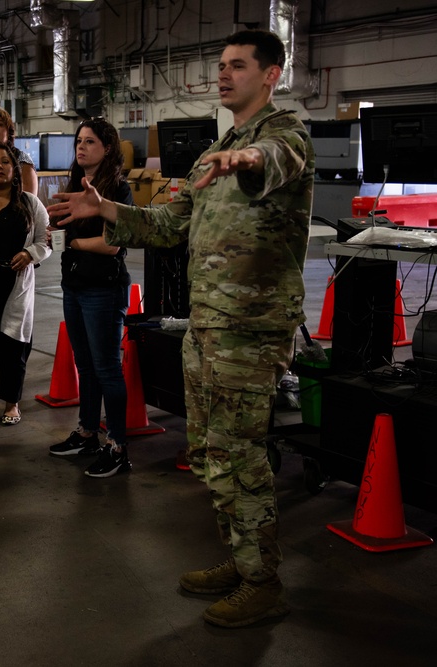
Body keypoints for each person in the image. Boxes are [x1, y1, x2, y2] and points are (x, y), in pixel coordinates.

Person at [47, 29, 314, 628]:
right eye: (219, 65)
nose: (223, 74)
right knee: (211, 450)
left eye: (237, 65)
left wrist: (246, 159)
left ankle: (263, 581)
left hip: (249, 330)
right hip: (208, 325)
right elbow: (170, 225)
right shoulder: (211, 150)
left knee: (241, 453)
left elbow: (271, 164)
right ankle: (243, 561)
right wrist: (107, 210)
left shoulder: (283, 136)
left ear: (270, 74)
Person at [46, 117, 133, 479]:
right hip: (75, 285)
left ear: (108, 148)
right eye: (79, 141)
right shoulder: (73, 186)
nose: (81, 147)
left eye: (90, 141)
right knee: (85, 365)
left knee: (107, 368)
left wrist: (71, 243)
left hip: (103, 289)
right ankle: (87, 432)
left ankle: (117, 445)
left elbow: (112, 246)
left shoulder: (119, 190)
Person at [0, 143, 51, 429]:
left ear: (14, 169)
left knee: (13, 348)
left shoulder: (30, 203)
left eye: (5, 161)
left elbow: (45, 241)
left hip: (15, 287)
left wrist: (31, 254)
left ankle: (11, 403)